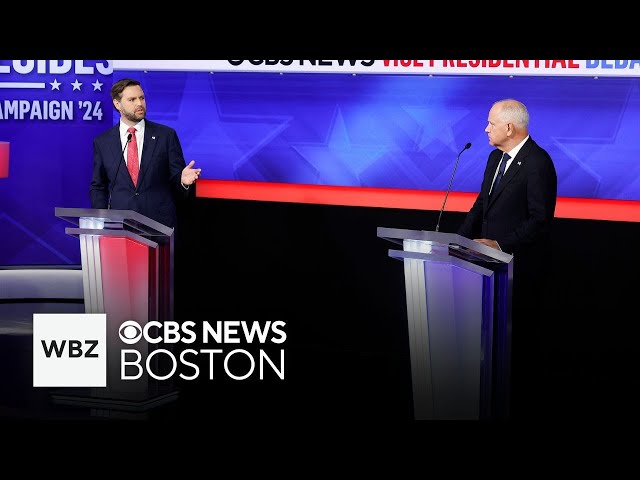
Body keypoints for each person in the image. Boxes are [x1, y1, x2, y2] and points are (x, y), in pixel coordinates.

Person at [457, 98, 557, 419]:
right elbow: (480, 206)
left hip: (518, 272)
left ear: (509, 128)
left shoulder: (537, 163)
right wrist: (455, 241)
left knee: (514, 349)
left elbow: (539, 220)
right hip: (485, 270)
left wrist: (501, 244)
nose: (486, 129)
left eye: (491, 123)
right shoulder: (493, 158)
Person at [90, 78, 200, 228]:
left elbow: (176, 181)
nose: (139, 104)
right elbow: (99, 186)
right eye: (132, 99)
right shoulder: (103, 142)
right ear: (117, 104)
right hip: (120, 226)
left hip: (159, 226)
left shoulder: (166, 136)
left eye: (141, 98)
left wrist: (182, 181)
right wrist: (101, 220)